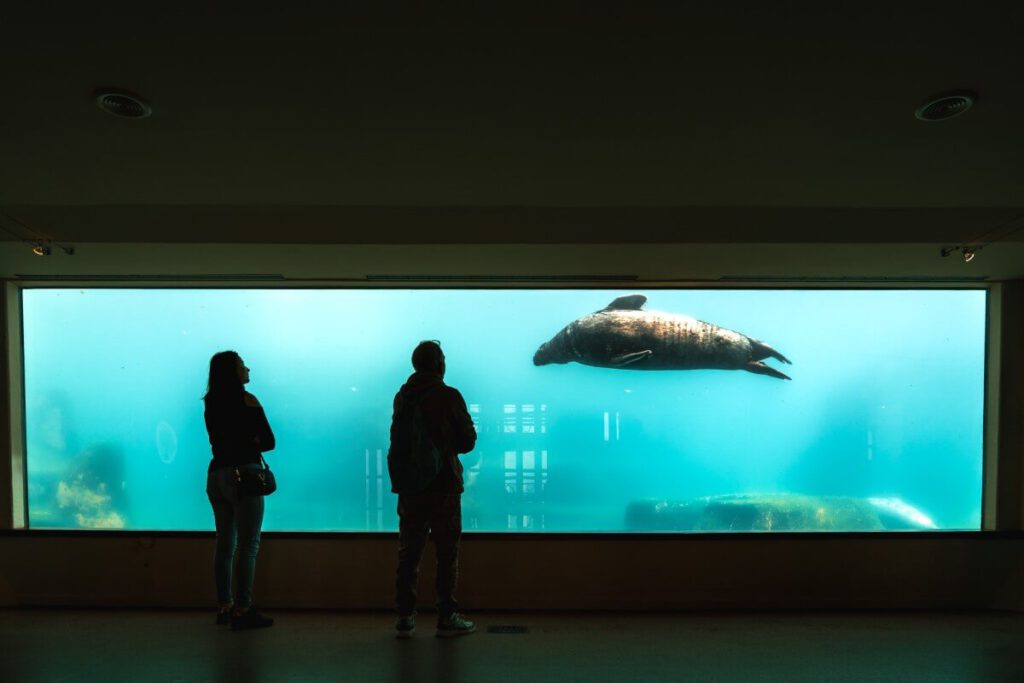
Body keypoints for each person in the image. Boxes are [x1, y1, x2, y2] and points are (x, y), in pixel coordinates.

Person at [391, 340, 478, 639]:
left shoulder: (402, 397)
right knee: (446, 554)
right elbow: (467, 441)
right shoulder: (449, 396)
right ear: (439, 363)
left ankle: (405, 617)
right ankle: (446, 616)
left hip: (410, 488)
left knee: (409, 554)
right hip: (443, 486)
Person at [203, 350, 276, 630]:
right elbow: (269, 441)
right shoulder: (248, 400)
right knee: (248, 545)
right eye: (243, 364)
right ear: (234, 371)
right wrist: (251, 438)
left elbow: (220, 439)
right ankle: (243, 610)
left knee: (224, 545)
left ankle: (225, 606)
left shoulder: (210, 403)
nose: (248, 368)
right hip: (245, 475)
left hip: (216, 475)